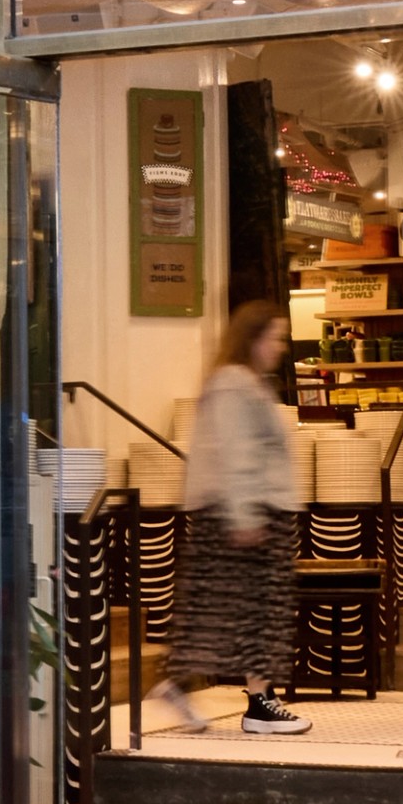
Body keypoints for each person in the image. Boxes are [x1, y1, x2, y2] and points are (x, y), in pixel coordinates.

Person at [158, 299, 310, 737]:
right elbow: (237, 453)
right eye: (275, 338)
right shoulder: (235, 383)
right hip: (245, 513)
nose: (281, 347)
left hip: (246, 510)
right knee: (255, 610)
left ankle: (184, 686)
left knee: (228, 611)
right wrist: (245, 515)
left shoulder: (243, 383)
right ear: (254, 338)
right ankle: (260, 704)